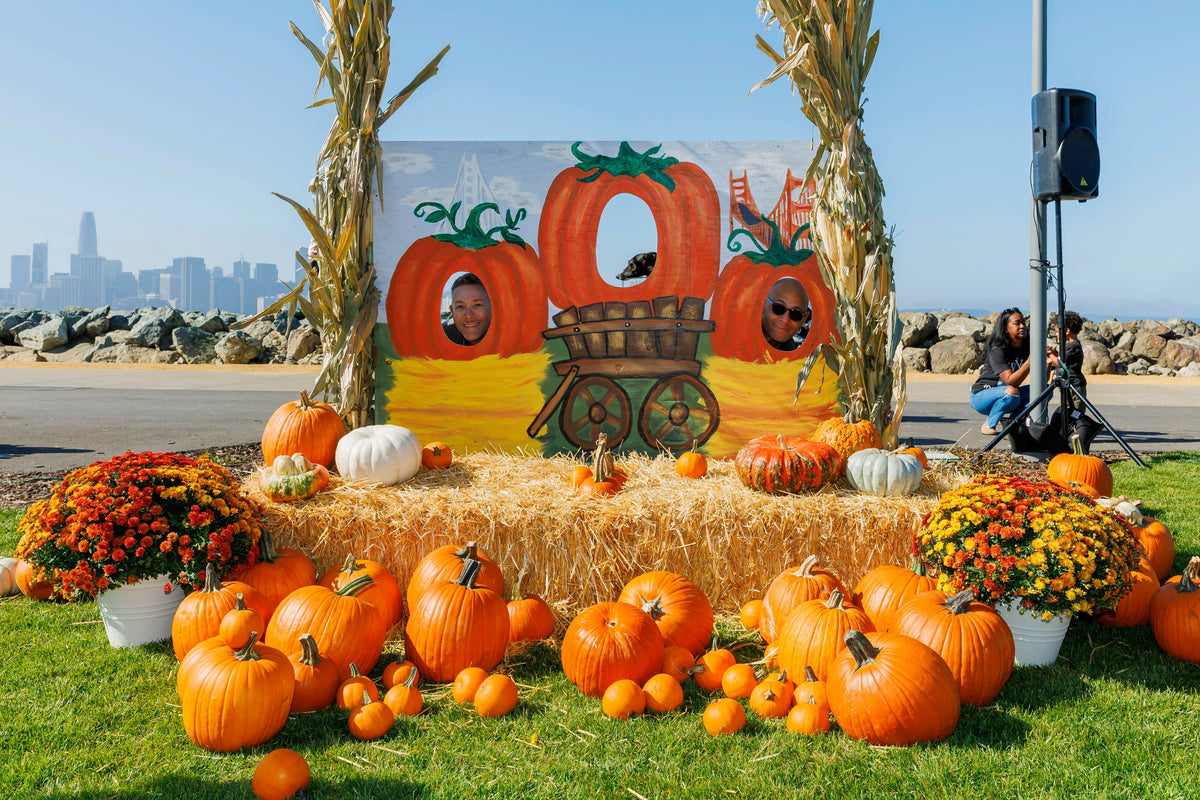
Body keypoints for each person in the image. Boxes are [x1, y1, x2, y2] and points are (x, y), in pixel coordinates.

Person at [970, 307, 1059, 435]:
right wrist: (1030, 360)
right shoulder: (997, 349)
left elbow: (1042, 381)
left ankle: (1013, 423)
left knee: (1045, 391)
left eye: (1023, 323)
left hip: (1009, 394)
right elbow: (1010, 381)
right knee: (1012, 391)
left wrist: (1047, 363)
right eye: (1017, 323)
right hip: (982, 396)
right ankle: (989, 423)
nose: (1022, 326)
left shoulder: (1027, 347)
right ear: (1005, 328)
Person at [761, 277, 812, 351]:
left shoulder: (802, 360)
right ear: (763, 303)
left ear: (804, 319)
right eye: (778, 308)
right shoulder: (739, 334)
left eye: (795, 314)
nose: (785, 319)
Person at [442, 273, 491, 346]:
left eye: (477, 305)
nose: (468, 316)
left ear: (492, 307)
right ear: (452, 311)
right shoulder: (445, 334)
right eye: (460, 306)